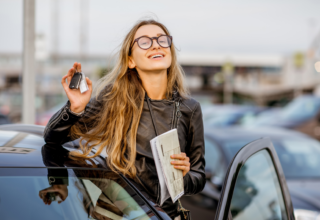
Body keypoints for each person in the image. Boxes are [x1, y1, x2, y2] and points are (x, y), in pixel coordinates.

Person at [44, 19, 205, 220]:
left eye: (162, 40)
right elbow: (52, 138)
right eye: (145, 42)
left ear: (170, 51)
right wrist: (75, 108)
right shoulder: (112, 99)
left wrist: (183, 177)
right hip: (116, 215)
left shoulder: (190, 108)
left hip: (164, 217)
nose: (156, 44)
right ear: (131, 61)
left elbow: (198, 179)